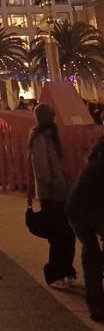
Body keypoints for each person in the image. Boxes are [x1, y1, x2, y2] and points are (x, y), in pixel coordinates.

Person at [28, 103, 76, 289]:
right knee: (58, 236)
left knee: (68, 234)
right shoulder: (40, 138)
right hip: (52, 195)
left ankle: (67, 270)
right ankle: (54, 273)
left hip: (63, 193)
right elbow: (42, 170)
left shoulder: (53, 136)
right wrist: (54, 186)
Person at [68, 135, 104, 321]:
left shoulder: (96, 159)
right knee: (93, 255)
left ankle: (96, 302)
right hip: (86, 211)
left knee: (92, 255)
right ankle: (97, 303)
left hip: (79, 209)